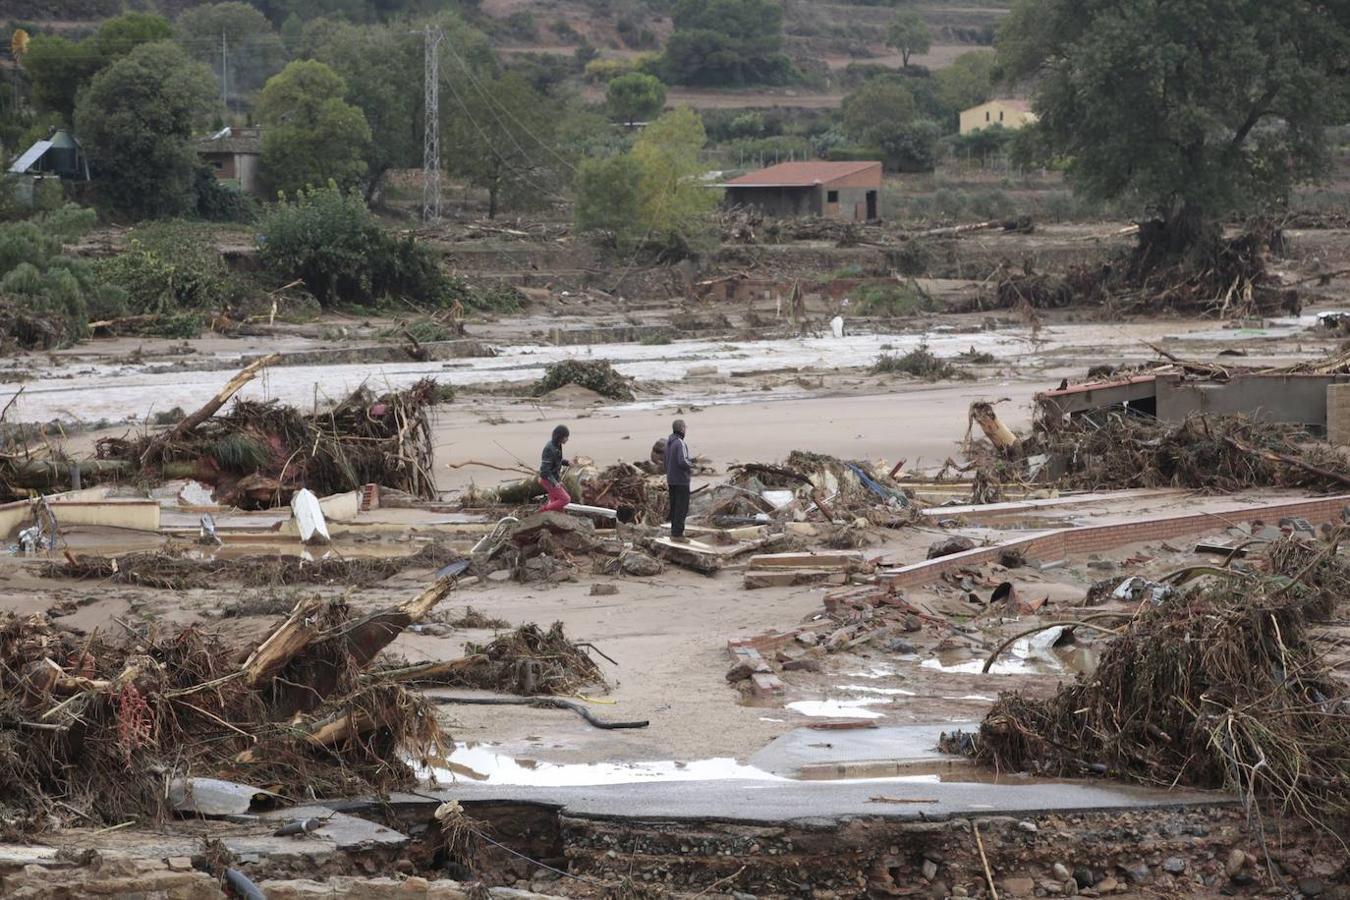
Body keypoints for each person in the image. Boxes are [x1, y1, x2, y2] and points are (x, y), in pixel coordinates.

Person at [664, 419, 692, 541]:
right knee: (682, 507)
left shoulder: (668, 443)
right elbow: (683, 461)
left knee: (675, 507)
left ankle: (674, 531)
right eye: (685, 428)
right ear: (681, 429)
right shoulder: (680, 443)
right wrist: (692, 465)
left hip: (671, 479)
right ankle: (678, 534)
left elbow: (665, 462)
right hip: (681, 480)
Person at [538, 425, 571, 513]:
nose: (567, 439)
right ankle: (543, 510)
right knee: (565, 499)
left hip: (553, 478)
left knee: (556, 505)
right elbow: (545, 470)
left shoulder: (557, 445)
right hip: (547, 479)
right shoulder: (549, 449)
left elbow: (557, 460)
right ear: (560, 436)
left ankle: (554, 520)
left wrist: (568, 463)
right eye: (566, 437)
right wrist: (555, 483)